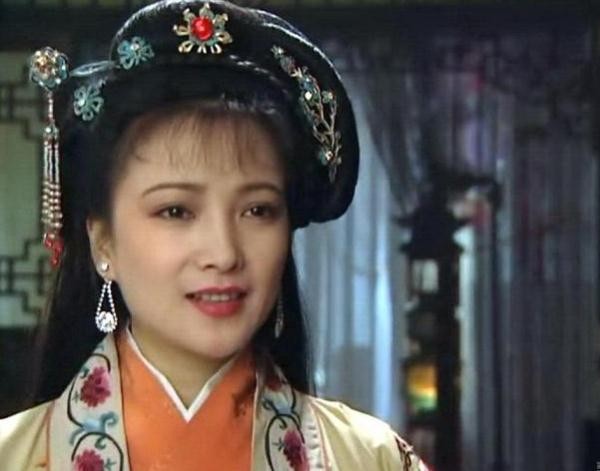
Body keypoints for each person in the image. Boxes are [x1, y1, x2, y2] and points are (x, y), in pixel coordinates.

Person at [0, 1, 427, 469]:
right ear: (103, 242)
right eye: (176, 211)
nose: (224, 253)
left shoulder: (370, 458)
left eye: (258, 210)